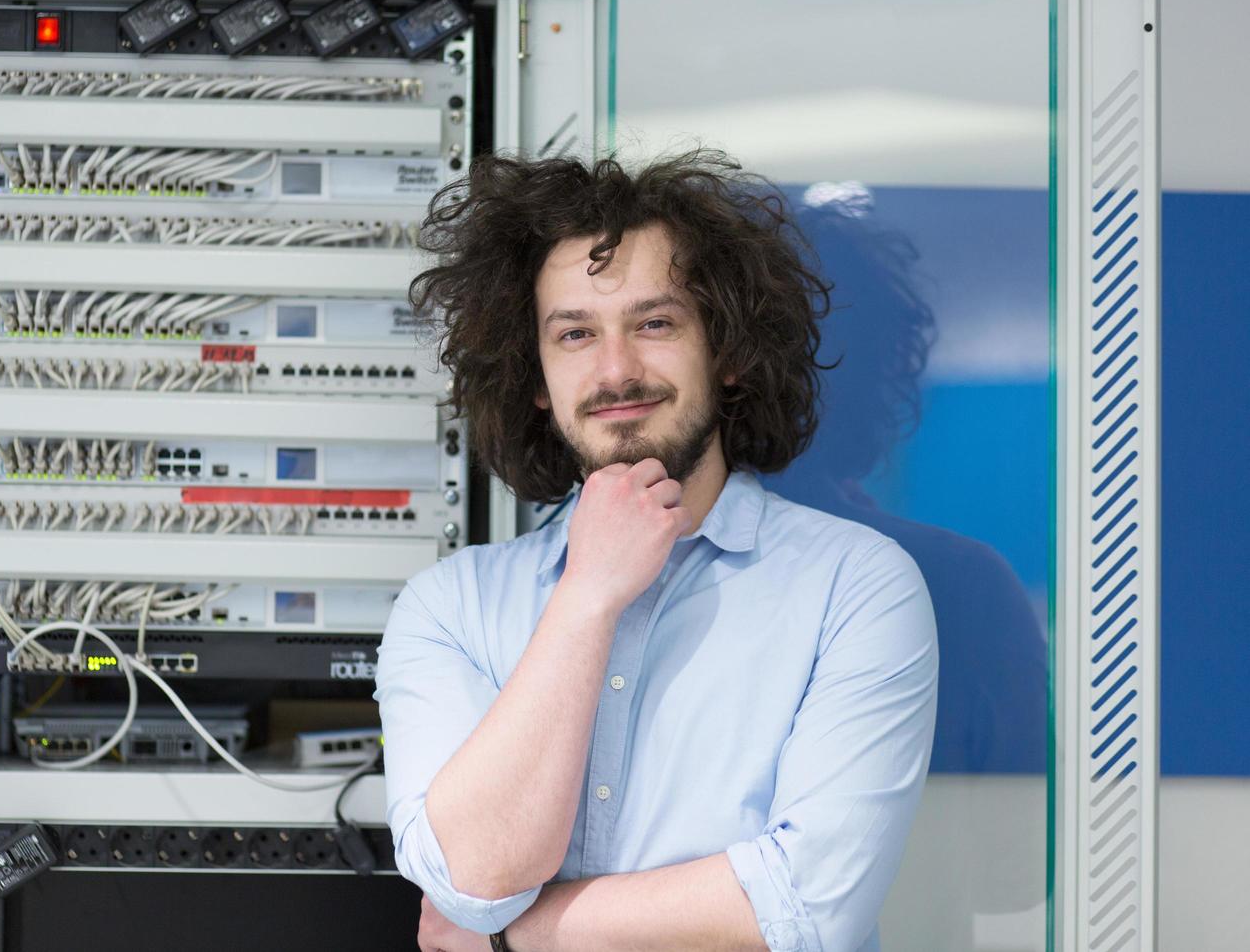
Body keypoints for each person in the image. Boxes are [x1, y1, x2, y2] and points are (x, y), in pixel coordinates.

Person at [373, 149, 939, 952]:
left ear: (729, 351)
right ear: (536, 374)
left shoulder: (856, 587)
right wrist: (587, 594)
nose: (617, 369)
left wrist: (508, 937)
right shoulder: (449, 607)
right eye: (575, 333)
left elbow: (807, 907)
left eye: (656, 323)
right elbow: (470, 874)